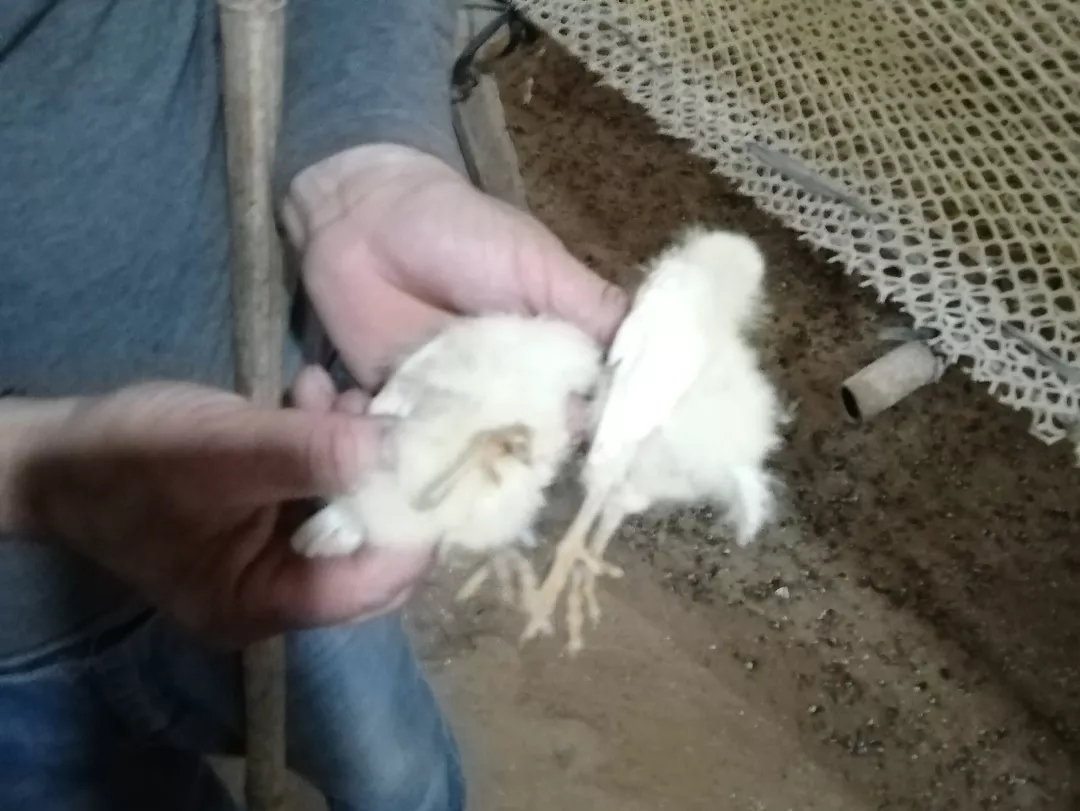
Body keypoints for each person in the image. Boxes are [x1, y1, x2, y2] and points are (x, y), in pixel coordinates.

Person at [0, 1, 627, 809]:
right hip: (15, 647)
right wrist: (35, 468)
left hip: (284, 500)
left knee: (401, 782)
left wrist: (366, 164)